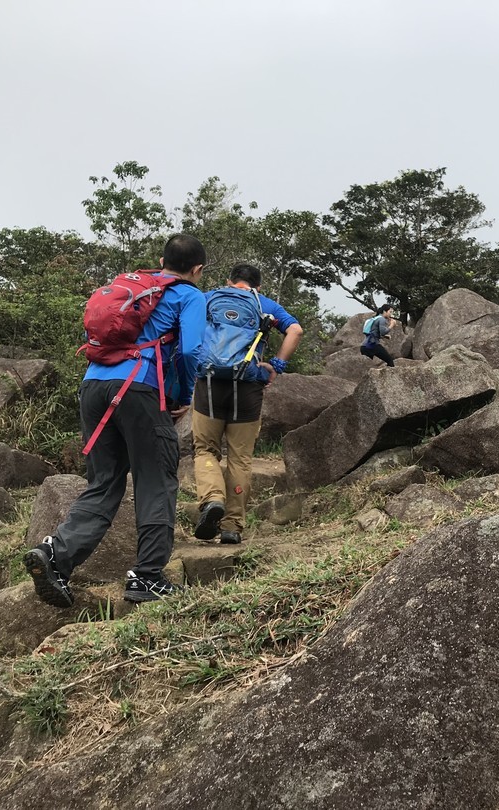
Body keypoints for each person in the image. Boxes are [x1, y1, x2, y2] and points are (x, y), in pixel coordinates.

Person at [24, 234, 209, 607]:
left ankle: (56, 557)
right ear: (198, 269)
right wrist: (182, 396)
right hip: (137, 389)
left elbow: (94, 337)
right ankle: (148, 577)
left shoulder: (132, 288)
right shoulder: (189, 294)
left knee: (104, 482)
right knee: (156, 479)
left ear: (161, 260)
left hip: (94, 385)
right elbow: (190, 350)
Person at [192, 264, 303, 544]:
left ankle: (212, 498)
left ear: (229, 281)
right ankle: (232, 527)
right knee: (240, 457)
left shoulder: (207, 298)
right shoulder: (263, 304)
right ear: (258, 286)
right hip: (249, 386)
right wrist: (277, 364)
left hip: (210, 384)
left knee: (205, 448)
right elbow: (296, 331)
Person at [360, 303, 397, 367]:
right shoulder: (382, 319)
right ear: (384, 311)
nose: (391, 314)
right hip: (372, 345)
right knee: (390, 360)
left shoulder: (376, 318)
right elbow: (383, 332)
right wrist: (392, 325)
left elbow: (373, 332)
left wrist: (384, 336)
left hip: (364, 346)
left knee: (368, 367)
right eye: (390, 312)